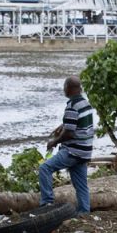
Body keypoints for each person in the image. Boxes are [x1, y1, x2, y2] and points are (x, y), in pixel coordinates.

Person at [39, 75, 94, 213]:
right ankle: (84, 212)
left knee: (45, 168)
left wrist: (54, 142)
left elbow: (69, 133)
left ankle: (47, 203)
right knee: (81, 185)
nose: (63, 90)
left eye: (64, 87)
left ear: (69, 89)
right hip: (85, 151)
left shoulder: (72, 106)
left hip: (73, 151)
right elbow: (77, 123)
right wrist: (63, 125)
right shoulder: (85, 103)